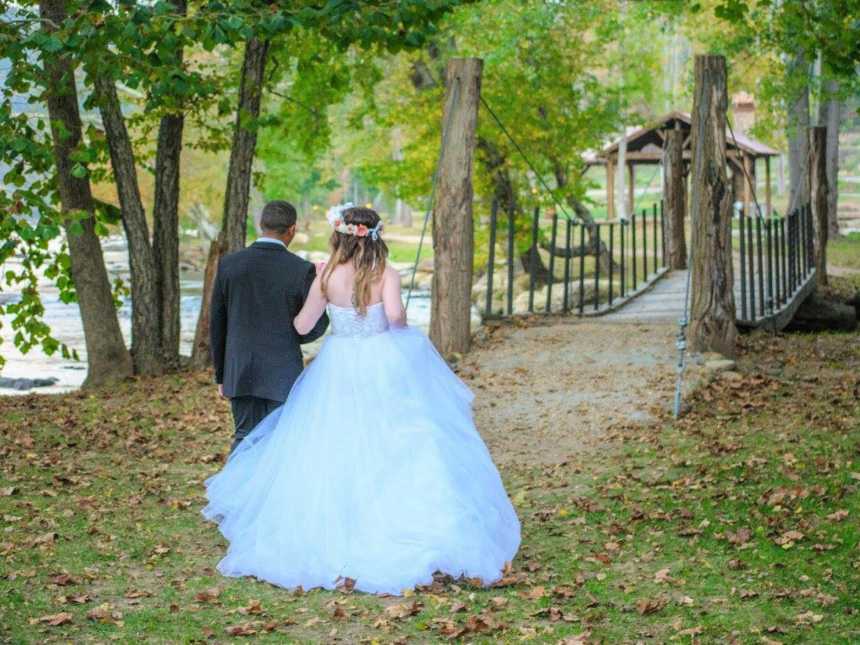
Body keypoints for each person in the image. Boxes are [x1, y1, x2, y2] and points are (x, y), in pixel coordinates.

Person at [202, 206, 520, 595]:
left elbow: (302, 327)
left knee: (333, 441)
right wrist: (387, 313)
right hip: (383, 363)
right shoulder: (386, 273)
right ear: (374, 236)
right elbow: (397, 319)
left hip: (337, 366)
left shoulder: (326, 276)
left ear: (341, 236)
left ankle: (333, 527)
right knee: (400, 437)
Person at [209, 200, 328, 452]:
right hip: (282, 370)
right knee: (279, 440)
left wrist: (222, 374)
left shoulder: (229, 264)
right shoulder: (301, 270)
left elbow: (217, 324)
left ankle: (233, 491)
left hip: (239, 368)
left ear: (261, 225)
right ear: (292, 229)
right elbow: (314, 327)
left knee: (243, 437)